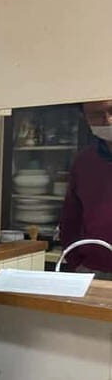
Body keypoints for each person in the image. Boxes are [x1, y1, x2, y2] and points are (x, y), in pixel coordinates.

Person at [59, 100, 112, 278]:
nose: (108, 120)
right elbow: (70, 218)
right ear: (85, 118)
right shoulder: (84, 161)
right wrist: (76, 262)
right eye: (97, 114)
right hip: (93, 269)